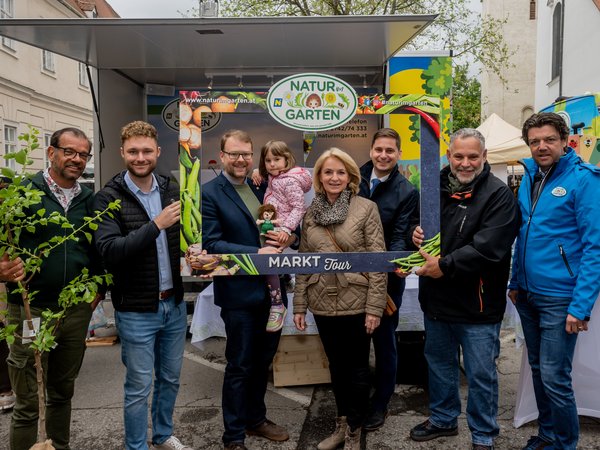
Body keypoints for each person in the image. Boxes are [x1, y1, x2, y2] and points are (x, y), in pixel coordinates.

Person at [407, 128, 520, 450]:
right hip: (438, 302)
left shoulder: (499, 195)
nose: (466, 163)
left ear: (484, 157)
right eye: (459, 156)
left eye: (473, 156)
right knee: (440, 367)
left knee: (481, 375)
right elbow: (419, 225)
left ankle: (483, 434)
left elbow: (489, 248)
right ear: (449, 156)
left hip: (478, 306)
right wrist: (416, 235)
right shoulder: (432, 189)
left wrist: (444, 266)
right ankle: (443, 420)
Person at [0, 127, 103, 450]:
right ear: (51, 152)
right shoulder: (21, 193)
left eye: (83, 154)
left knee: (61, 392)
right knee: (28, 399)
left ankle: (58, 446)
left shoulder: (89, 199)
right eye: (69, 152)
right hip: (32, 310)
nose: (76, 159)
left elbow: (98, 249)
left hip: (74, 311)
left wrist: (95, 293)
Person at [94, 121, 191, 450]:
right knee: (138, 386)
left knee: (170, 379)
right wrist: (156, 225)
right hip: (136, 309)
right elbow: (110, 252)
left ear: (157, 152)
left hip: (173, 305)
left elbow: (182, 238)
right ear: (122, 152)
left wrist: (194, 249)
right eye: (133, 151)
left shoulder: (170, 187)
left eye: (146, 151)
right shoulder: (107, 198)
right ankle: (136, 446)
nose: (140, 157)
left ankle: (162, 435)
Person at [508, 112, 600, 450]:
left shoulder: (584, 179)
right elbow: (525, 235)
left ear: (565, 141)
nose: (541, 146)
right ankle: (547, 435)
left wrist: (580, 307)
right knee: (539, 372)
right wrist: (515, 281)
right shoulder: (532, 177)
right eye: (535, 141)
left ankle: (564, 443)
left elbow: (595, 248)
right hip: (528, 295)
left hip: (561, 299)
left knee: (554, 377)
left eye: (549, 139)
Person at [202, 130, 294, 450]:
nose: (241, 160)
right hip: (240, 294)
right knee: (240, 364)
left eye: (246, 154)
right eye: (234, 154)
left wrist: (285, 238)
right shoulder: (210, 193)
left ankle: (256, 420)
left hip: (273, 294)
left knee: (262, 362)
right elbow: (212, 243)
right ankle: (234, 436)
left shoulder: (262, 186)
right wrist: (257, 254)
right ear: (223, 155)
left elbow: (279, 223)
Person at [293, 148, 387, 450]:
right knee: (336, 366)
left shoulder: (366, 209)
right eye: (328, 172)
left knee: (358, 368)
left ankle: (355, 429)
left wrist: (374, 308)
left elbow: (378, 261)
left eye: (340, 172)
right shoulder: (310, 215)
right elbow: (304, 261)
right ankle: (342, 422)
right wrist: (300, 304)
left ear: (350, 177)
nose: (334, 177)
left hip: (357, 301)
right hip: (322, 301)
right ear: (319, 177)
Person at [357, 128, 419, 431]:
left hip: (387, 278)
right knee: (354, 341)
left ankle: (380, 402)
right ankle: (355, 400)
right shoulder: (351, 179)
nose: (383, 155)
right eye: (379, 149)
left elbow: (399, 237)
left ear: (398, 154)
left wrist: (384, 271)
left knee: (384, 342)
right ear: (371, 150)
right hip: (350, 275)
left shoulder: (407, 191)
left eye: (390, 151)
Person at [252, 140, 311, 332]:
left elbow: (299, 207)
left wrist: (287, 229)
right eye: (268, 160)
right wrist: (256, 172)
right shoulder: (274, 178)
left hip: (282, 226)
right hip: (272, 223)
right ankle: (284, 279)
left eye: (276, 159)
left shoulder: (289, 181)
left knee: (269, 261)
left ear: (287, 160)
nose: (271, 164)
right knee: (271, 262)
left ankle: (277, 304)